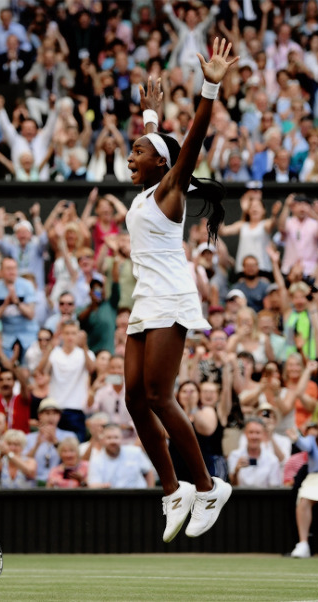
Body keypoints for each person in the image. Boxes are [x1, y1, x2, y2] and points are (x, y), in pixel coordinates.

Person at [124, 39, 236, 543]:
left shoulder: (170, 189)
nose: (133, 153)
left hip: (170, 296)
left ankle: (209, 486)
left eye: (139, 150)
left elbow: (187, 141)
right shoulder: (150, 188)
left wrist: (209, 85)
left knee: (158, 395)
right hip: (145, 297)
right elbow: (159, 141)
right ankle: (174, 492)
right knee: (132, 397)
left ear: (162, 165)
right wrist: (150, 113)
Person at [288, 406, 318, 558]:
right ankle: (303, 543)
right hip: (314, 479)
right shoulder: (312, 440)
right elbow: (304, 445)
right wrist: (296, 438)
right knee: (303, 501)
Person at [23, 397, 77, 486]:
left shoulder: (69, 436)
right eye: (47, 413)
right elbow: (23, 463)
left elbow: (73, 462)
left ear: (59, 416)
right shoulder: (29, 438)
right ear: (40, 416)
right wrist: (37, 445)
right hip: (34, 484)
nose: (51, 417)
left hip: (59, 484)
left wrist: (55, 442)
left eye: (55, 413)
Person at [87, 424, 154, 489]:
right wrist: (102, 486)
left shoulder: (135, 452)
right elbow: (93, 484)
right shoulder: (96, 460)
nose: (113, 441)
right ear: (103, 440)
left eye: (116, 437)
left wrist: (150, 492)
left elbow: (148, 471)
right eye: (109, 438)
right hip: (112, 497)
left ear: (121, 438)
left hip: (139, 496)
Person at [227, 417, 282, 487]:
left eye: (258, 433)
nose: (254, 436)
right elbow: (233, 487)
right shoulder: (235, 456)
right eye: (251, 432)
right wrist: (236, 471)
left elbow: (274, 489)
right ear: (245, 434)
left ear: (263, 434)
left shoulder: (272, 460)